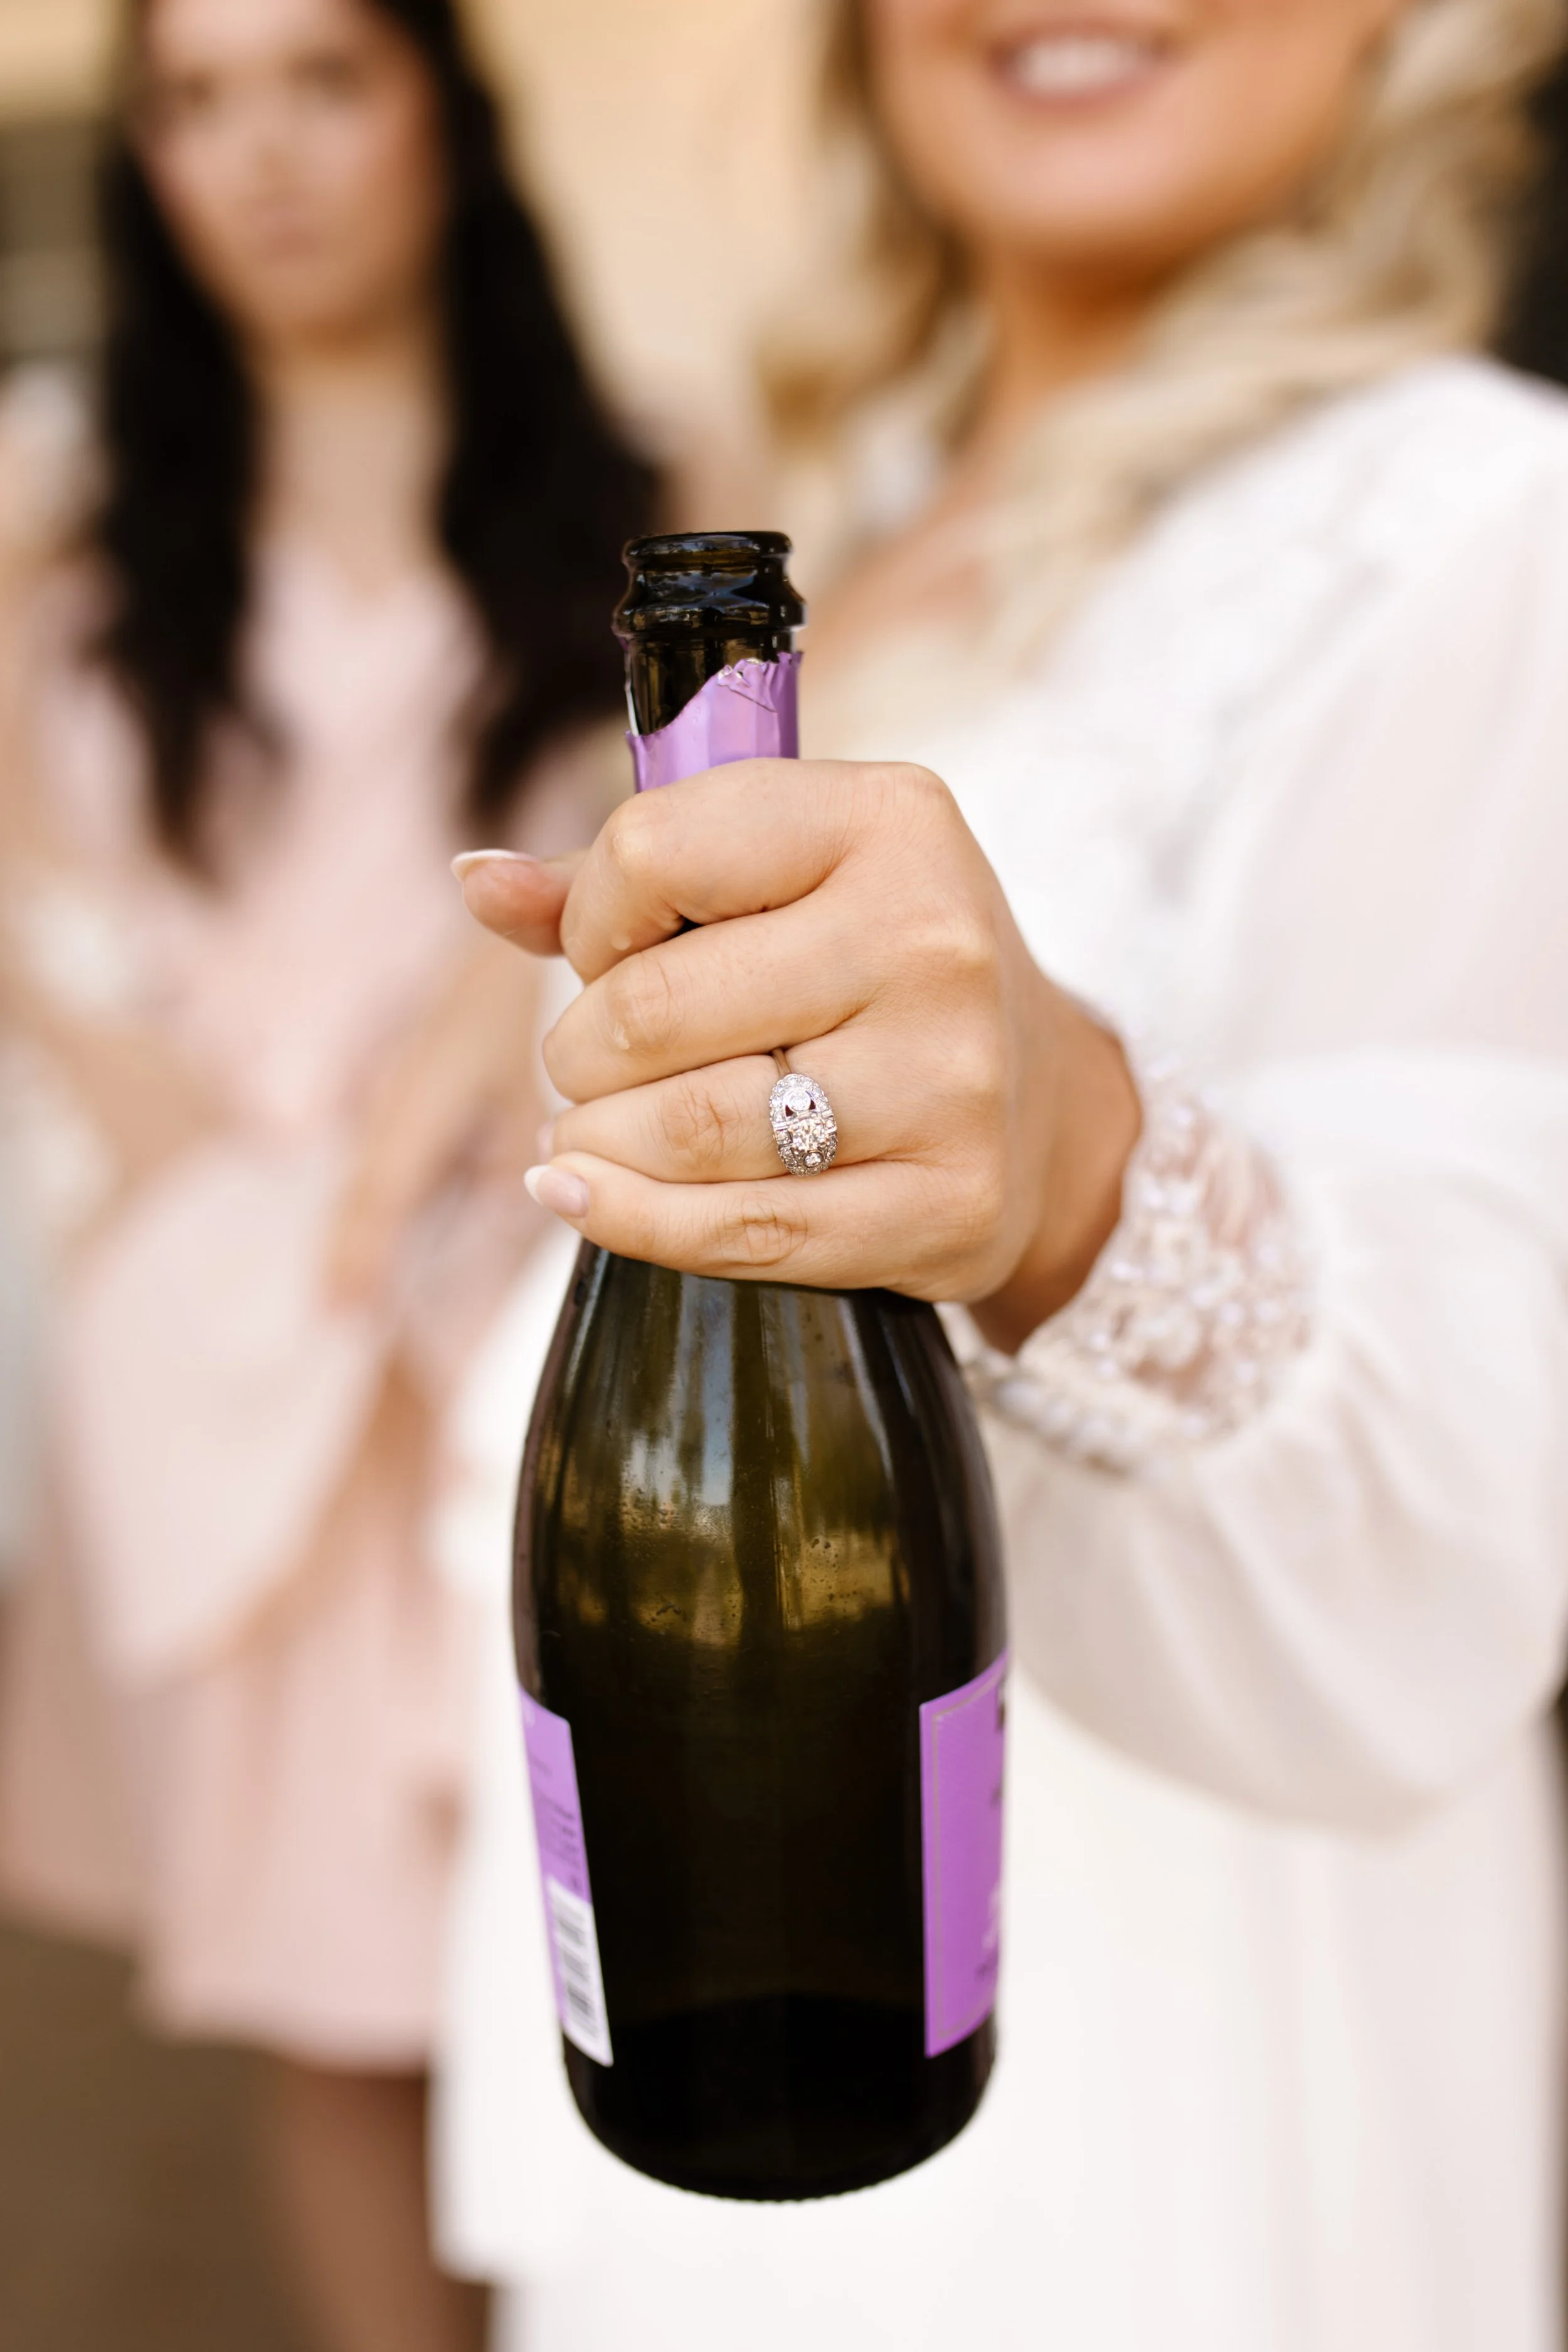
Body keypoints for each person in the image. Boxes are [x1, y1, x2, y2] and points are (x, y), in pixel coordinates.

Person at [439, 1, 1568, 2348]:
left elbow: (1496, 1450)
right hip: (679, 1873)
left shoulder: (1491, 520)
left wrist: (1063, 1163)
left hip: (1170, 2035)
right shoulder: (834, 495)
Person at [0, 3, 650, 2349]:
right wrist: (271, 1231)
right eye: (195, 98)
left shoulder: (649, 494)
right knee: (338, 2001)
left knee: (617, 1951)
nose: (257, 156)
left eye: (323, 81)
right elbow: (46, 952)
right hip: (236, 1343)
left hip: (543, 1314)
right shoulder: (61, 541)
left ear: (438, 117)